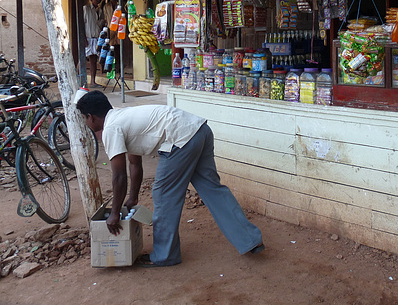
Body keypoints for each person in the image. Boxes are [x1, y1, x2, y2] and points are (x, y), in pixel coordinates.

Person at [76, 90, 264, 267]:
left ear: (91, 117)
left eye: (84, 118)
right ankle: (250, 240)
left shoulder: (111, 128)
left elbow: (119, 177)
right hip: (200, 130)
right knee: (213, 190)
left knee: (163, 194)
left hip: (181, 139)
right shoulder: (121, 116)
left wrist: (115, 213)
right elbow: (134, 164)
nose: (86, 122)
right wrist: (132, 196)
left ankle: (165, 256)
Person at [83, 0, 105, 87]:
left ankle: (92, 81)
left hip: (96, 38)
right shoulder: (86, 9)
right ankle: (78, 79)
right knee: (82, 59)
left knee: (93, 60)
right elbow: (82, 23)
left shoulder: (100, 10)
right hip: (87, 37)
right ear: (91, 0)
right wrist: (83, 37)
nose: (97, 1)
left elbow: (100, 24)